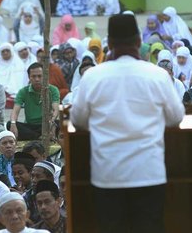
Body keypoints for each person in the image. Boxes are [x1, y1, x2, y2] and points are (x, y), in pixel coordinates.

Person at [71, 14, 185, 233]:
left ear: (110, 43)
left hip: (108, 174)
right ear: (139, 41)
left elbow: (78, 121)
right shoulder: (157, 75)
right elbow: (175, 117)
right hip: (149, 172)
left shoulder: (93, 76)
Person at [9, 63, 60, 141]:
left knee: (61, 124)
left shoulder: (53, 90)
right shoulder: (23, 91)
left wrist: (52, 122)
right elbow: (15, 111)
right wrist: (13, 123)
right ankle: (39, 137)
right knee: (9, 124)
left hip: (47, 124)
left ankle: (38, 136)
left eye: (40, 76)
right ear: (29, 78)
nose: (37, 79)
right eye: (33, 76)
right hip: (30, 126)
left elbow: (55, 109)